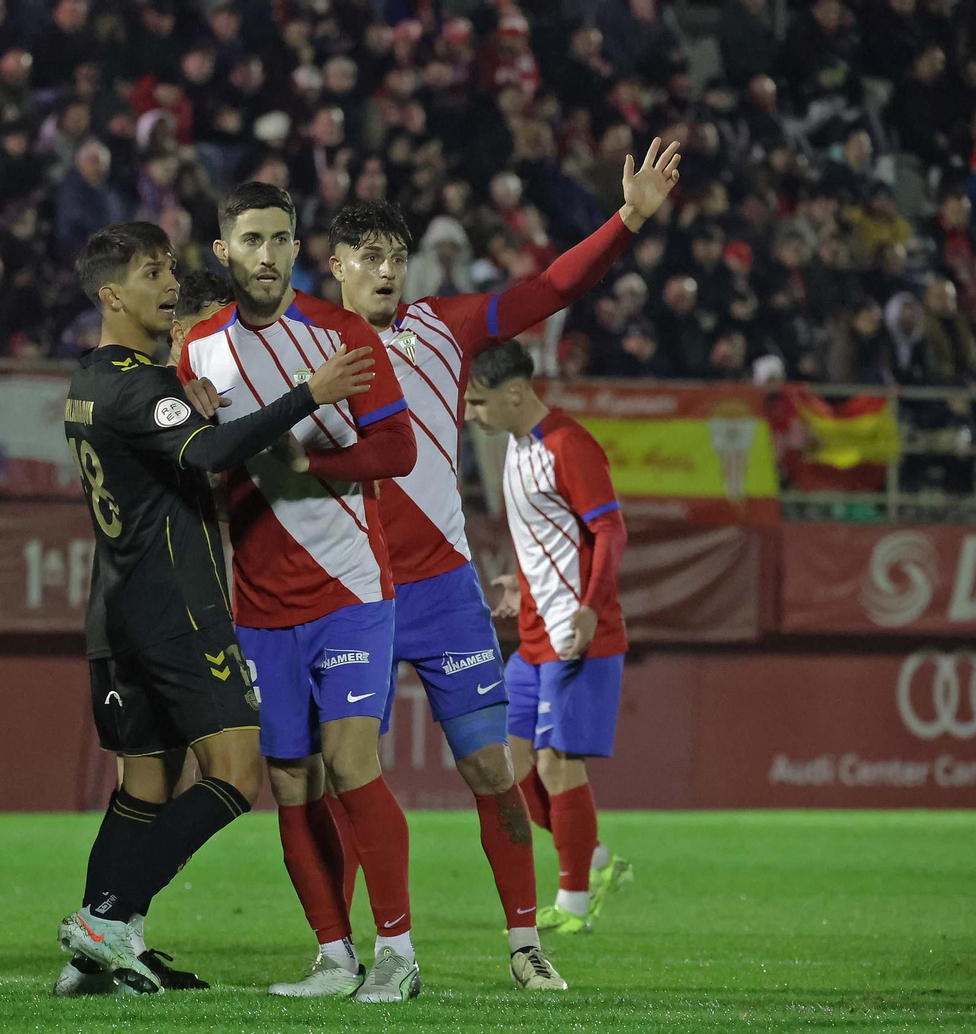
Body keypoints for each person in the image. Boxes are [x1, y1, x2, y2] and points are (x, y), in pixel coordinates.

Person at [318, 138, 680, 988]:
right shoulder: (302, 341)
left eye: (397, 259)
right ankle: (356, 953)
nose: (386, 272)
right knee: (346, 779)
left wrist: (628, 218)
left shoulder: (442, 327)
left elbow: (548, 290)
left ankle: (526, 946)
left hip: (442, 591)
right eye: (370, 258)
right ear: (335, 264)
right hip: (353, 589)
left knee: (493, 771)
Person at [55, 221, 377, 995]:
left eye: (169, 269)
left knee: (144, 786)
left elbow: (175, 460)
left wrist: (190, 413)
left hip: (116, 615)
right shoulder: (139, 383)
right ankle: (110, 917)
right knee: (235, 774)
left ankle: (97, 954)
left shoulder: (89, 382)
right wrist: (310, 393)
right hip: (177, 612)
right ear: (111, 294)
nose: (170, 284)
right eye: (150, 273)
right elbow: (205, 455)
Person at [178, 182, 421, 1003]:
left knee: (353, 763)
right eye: (252, 240)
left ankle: (397, 953)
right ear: (225, 252)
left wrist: (311, 467)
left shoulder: (342, 332)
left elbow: (398, 450)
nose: (269, 255)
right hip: (261, 603)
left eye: (281, 239)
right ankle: (333, 955)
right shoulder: (200, 350)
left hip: (351, 585)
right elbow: (200, 465)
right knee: (290, 782)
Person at [466, 342, 634, 936]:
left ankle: (575, 905)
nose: (471, 414)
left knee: (557, 766)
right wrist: (522, 579)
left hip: (575, 635)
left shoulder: (568, 445)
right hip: (534, 633)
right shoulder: (514, 448)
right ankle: (593, 860)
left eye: (478, 401)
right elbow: (545, 534)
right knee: (505, 768)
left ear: (515, 393)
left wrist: (590, 611)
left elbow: (610, 529)